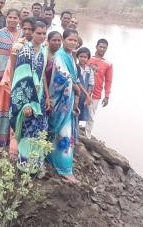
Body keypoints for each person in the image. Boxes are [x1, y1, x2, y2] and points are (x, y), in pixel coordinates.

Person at [10, 21, 49, 172]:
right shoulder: (25, 51)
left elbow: (42, 75)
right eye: (38, 33)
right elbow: (21, 78)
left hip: (38, 97)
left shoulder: (44, 50)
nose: (41, 36)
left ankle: (35, 164)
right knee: (27, 130)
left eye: (44, 33)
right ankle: (24, 166)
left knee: (39, 130)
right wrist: (26, 103)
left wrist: (46, 95)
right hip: (27, 99)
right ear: (31, 33)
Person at [47, 29, 80, 183]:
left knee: (64, 132)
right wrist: (73, 85)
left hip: (69, 99)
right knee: (64, 132)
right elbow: (62, 77)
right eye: (70, 40)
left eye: (75, 40)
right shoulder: (60, 55)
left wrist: (76, 89)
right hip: (61, 99)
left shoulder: (71, 57)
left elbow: (73, 76)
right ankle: (64, 168)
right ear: (64, 39)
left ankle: (53, 158)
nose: (73, 43)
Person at [0, 9, 21, 147]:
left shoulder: (23, 35)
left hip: (18, 77)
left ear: (19, 19)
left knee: (14, 107)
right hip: (1, 79)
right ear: (6, 18)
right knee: (1, 105)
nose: (12, 20)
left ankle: (11, 139)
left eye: (15, 17)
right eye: (10, 17)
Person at [87, 39, 113, 135]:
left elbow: (108, 81)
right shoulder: (87, 58)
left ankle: (87, 135)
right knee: (77, 112)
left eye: (104, 47)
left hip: (96, 93)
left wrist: (107, 96)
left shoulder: (108, 64)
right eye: (100, 47)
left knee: (91, 115)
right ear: (96, 47)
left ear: (106, 49)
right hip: (83, 91)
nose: (102, 49)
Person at [76, 47, 94, 138]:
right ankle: (74, 133)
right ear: (77, 57)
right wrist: (87, 94)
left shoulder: (89, 70)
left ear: (88, 58)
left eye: (85, 57)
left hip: (84, 97)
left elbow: (91, 84)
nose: (83, 59)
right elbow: (78, 82)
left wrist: (88, 96)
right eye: (81, 56)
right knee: (75, 112)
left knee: (81, 113)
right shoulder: (75, 67)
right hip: (77, 95)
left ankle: (77, 133)